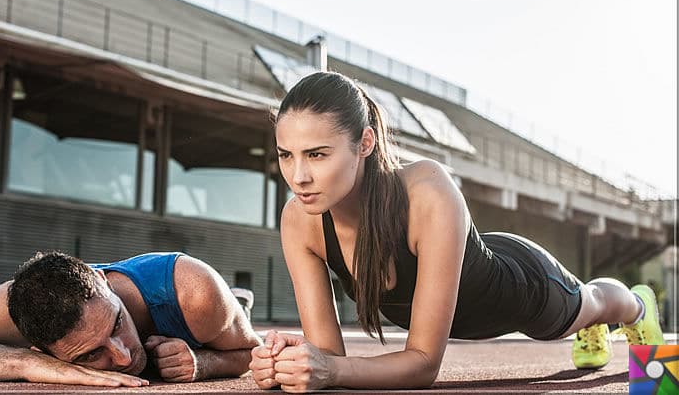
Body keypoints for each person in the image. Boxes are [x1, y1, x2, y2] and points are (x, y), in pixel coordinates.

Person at [248, 71, 665, 392]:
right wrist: (291, 363)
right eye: (286, 155)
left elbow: (424, 364)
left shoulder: (427, 190)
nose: (298, 176)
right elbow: (330, 363)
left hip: (524, 287)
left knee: (592, 303)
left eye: (317, 154)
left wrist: (328, 369)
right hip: (475, 262)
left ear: (365, 143)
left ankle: (637, 307)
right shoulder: (299, 221)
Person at [0, 251, 260, 387]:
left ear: (103, 281)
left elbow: (252, 353)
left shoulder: (192, 292)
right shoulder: (13, 311)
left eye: (116, 324)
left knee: (227, 315)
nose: (123, 356)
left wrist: (203, 363)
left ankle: (238, 301)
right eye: (90, 354)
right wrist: (25, 364)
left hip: (201, 311)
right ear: (41, 349)